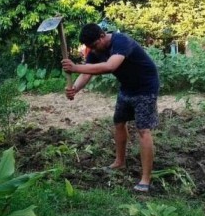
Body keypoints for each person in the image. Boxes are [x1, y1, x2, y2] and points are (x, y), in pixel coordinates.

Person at [61, 23, 159, 192]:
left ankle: (145, 179)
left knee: (143, 130)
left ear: (102, 36)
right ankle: (119, 162)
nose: (92, 49)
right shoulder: (96, 49)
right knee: (119, 122)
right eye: (89, 47)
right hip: (127, 87)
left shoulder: (121, 41)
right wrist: (75, 89)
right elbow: (87, 73)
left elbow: (110, 66)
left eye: (94, 45)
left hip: (145, 88)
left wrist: (75, 67)